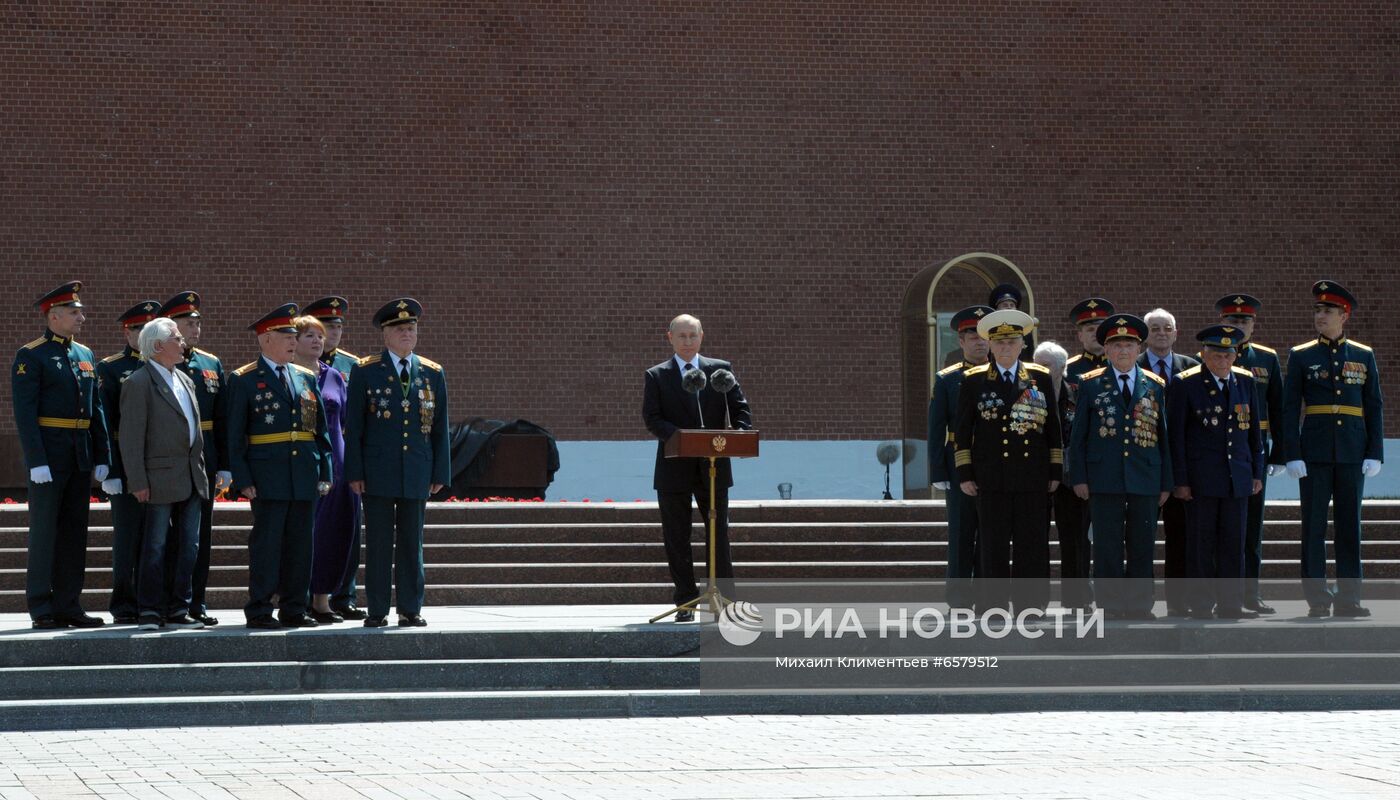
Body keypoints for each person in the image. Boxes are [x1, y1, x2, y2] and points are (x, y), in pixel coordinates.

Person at [344, 298, 450, 628]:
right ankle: (377, 609)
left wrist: (439, 471)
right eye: (400, 329)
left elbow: (439, 426)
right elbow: (355, 426)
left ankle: (410, 607)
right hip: (377, 471)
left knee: (411, 542)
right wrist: (355, 471)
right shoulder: (365, 370)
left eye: (411, 328)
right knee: (378, 543)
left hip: (417, 469)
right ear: (385, 335)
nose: (407, 334)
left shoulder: (432, 372)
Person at [1280, 280, 1383, 618]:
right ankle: (1318, 598)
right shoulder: (1302, 354)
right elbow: (1289, 406)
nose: (1320, 315)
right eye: (1318, 310)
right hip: (1315, 451)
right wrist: (1291, 452)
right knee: (1313, 526)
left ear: (1344, 315)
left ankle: (1349, 597)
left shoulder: (1363, 355)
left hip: (1353, 451)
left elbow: (1374, 405)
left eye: (1328, 311)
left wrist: (1375, 451)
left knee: (1349, 525)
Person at [226, 303, 332, 629]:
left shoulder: (304, 377)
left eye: (292, 335)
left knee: (301, 547)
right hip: (267, 476)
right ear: (265, 339)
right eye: (286, 335)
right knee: (267, 546)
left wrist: (324, 472)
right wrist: (242, 478)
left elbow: (320, 431)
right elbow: (234, 436)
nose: (292, 340)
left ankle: (294, 609)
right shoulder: (244, 379)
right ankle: (259, 609)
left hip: (303, 475)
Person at [11, 281, 110, 629]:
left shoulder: (84, 355)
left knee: (74, 533)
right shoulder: (31, 355)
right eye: (74, 312)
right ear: (54, 316)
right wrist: (35, 460)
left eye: (80, 311)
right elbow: (25, 414)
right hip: (49, 459)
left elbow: (95, 409)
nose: (81, 317)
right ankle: (41, 606)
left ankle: (69, 604)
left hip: (79, 455)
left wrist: (102, 455)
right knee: (45, 532)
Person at [642, 314, 753, 622]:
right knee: (676, 536)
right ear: (670, 338)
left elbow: (740, 407)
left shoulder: (720, 370)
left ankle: (725, 600)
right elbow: (652, 418)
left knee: (719, 532)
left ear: (701, 336)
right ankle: (686, 601)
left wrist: (742, 431)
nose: (687, 341)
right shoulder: (657, 375)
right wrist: (680, 438)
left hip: (713, 465)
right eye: (682, 336)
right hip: (674, 466)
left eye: (692, 335)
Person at [953, 309, 1060, 614]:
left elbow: (1052, 427)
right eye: (999, 342)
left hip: (1032, 476)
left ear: (1022, 344)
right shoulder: (974, 380)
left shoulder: (1038, 376)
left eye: (1012, 341)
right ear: (990, 345)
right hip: (992, 476)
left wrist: (1054, 470)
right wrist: (965, 473)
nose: (1006, 348)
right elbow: (962, 430)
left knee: (1032, 543)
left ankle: (1032, 603)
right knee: (992, 544)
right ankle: (992, 604)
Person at [1067, 315, 1171, 621]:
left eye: (1128, 344)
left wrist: (1166, 481)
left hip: (1145, 475)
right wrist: (1079, 477)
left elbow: (1163, 437)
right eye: (1116, 345)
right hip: (1104, 477)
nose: (1122, 350)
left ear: (1138, 348)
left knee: (1142, 543)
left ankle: (1140, 604)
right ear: (1107, 351)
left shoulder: (1155, 385)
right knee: (1107, 544)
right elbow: (1079, 436)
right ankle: (1110, 604)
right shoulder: (1090, 384)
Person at [1169, 324, 1266, 619]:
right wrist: (1181, 480)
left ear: (1235, 356)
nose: (1222, 361)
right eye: (1215, 355)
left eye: (1227, 355)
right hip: (1201, 481)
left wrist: (1256, 473)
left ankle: (1231, 604)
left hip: (1237, 478)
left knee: (1234, 543)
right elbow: (1177, 437)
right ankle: (1200, 604)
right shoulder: (1185, 383)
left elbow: (1255, 434)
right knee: (1201, 544)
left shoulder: (1246, 382)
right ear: (1203, 354)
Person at [120, 317, 209, 631]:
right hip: (157, 479)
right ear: (158, 346)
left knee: (189, 547)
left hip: (191, 476)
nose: (182, 341)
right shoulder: (138, 382)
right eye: (176, 337)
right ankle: (150, 610)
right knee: (154, 547)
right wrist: (138, 481)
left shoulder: (185, 379)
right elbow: (131, 438)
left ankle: (177, 609)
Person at [158, 291, 230, 626]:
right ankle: (165, 601)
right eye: (188, 323)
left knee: (199, 536)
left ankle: (195, 602)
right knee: (167, 536)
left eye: (197, 322)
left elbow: (224, 419)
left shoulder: (210, 364)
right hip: (170, 460)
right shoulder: (161, 364)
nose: (195, 328)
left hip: (205, 459)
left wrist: (225, 464)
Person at [1214, 293, 1285, 614]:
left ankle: (1250, 594)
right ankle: (1221, 594)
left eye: (1244, 321)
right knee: (1219, 526)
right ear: (1222, 323)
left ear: (1254, 325)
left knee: (1251, 526)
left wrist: (1281, 452)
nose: (1238, 326)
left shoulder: (1266, 359)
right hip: (1217, 453)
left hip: (1253, 452)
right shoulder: (1210, 356)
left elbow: (1279, 408)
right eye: (1231, 320)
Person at [292, 314, 360, 624]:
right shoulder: (288, 374)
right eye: (309, 336)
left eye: (320, 336)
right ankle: (296, 597)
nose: (318, 341)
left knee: (334, 532)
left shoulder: (335, 376)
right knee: (304, 532)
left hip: (337, 464)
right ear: (294, 341)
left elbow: (345, 420)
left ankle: (322, 601)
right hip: (302, 461)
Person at [96, 299, 160, 624]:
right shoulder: (111, 368)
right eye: (139, 329)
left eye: (151, 328)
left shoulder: (165, 366)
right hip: (125, 464)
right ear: (127, 332)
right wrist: (111, 469)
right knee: (127, 536)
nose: (144, 334)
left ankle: (152, 600)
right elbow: (105, 421)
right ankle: (123, 602)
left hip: (160, 466)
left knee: (157, 536)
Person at [929, 305, 992, 609]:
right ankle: (958, 598)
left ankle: (985, 596)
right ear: (961, 342)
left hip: (995, 462)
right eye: (972, 336)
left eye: (984, 336)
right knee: (961, 531)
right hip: (958, 463)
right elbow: (935, 426)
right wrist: (938, 470)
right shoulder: (947, 379)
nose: (980, 342)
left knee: (990, 532)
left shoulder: (1003, 375)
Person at [1056, 297, 1117, 610]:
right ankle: (1076, 597)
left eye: (1099, 328)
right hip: (1076, 467)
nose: (1094, 333)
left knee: (1112, 535)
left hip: (1112, 465)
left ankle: (1113, 597)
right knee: (1075, 536)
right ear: (1078, 335)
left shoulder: (1124, 367)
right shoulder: (1069, 372)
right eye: (1088, 328)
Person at [1138, 308, 1199, 617]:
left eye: (1167, 328)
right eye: (1155, 328)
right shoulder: (1130, 366)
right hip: (1141, 467)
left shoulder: (1192, 368)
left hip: (1179, 468)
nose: (1161, 333)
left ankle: (1179, 601)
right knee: (1139, 538)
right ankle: (1140, 602)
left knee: (1181, 537)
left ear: (1176, 333)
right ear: (1145, 334)